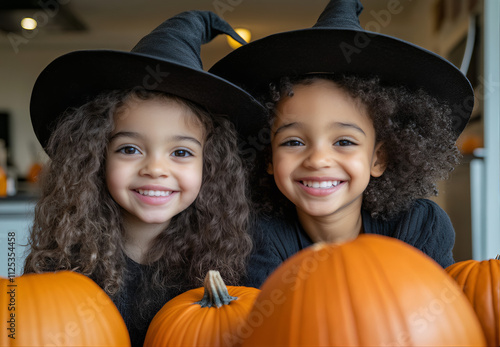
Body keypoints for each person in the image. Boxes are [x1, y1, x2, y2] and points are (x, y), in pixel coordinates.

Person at [24, 10, 266, 347]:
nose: (155, 168)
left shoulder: (236, 261)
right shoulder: (61, 262)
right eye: (129, 149)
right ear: (96, 157)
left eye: (180, 152)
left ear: (209, 166)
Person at [209, 0, 474, 288]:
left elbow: (439, 322)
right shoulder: (256, 234)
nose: (318, 159)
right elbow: (276, 327)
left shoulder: (420, 225)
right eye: (294, 141)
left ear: (379, 158)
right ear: (268, 158)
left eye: (344, 141)